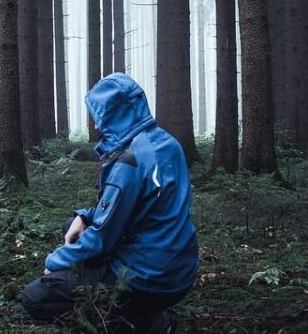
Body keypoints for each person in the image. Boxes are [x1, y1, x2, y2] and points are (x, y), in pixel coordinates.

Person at [19, 73, 198, 331]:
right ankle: (146, 311)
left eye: (100, 115)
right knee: (72, 225)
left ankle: (149, 322)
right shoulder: (167, 143)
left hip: (147, 278)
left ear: (115, 114)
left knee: (36, 297)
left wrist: (54, 262)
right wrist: (84, 216)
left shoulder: (130, 161)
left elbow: (102, 238)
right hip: (179, 271)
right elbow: (137, 206)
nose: (96, 124)